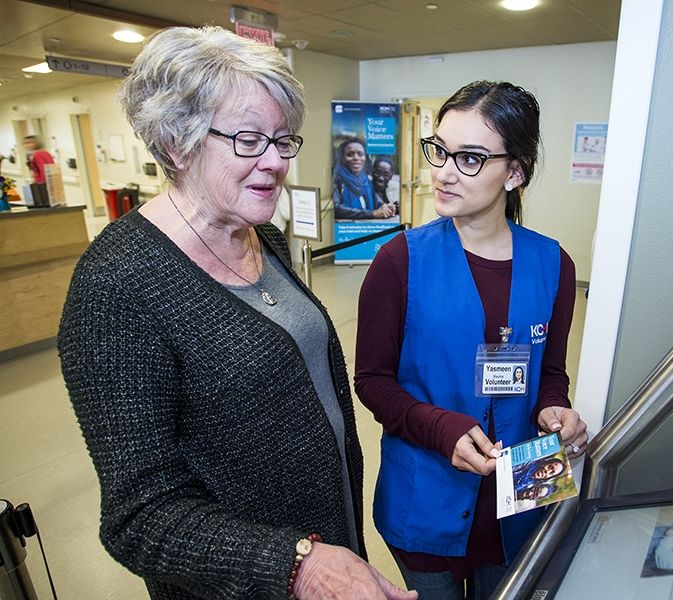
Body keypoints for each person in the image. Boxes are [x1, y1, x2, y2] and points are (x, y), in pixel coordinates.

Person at [57, 26, 415, 600]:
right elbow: (140, 516)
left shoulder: (261, 235)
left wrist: (332, 557)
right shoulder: (117, 284)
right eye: (250, 140)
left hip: (328, 542)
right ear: (178, 143)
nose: (276, 162)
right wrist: (297, 565)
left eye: (283, 139)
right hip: (248, 581)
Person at [354, 80, 588, 600]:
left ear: (516, 172)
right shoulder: (400, 261)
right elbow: (371, 381)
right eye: (439, 150)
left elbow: (550, 374)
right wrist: (440, 427)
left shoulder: (554, 264)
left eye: (470, 158)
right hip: (428, 491)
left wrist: (556, 411)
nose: (442, 172)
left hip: (529, 482)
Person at [333, 138, 396, 220]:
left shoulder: (366, 179)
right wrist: (373, 213)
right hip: (346, 228)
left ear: (365, 158)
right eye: (350, 154)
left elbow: (376, 202)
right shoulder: (336, 178)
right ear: (342, 158)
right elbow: (337, 209)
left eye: (360, 154)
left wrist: (387, 207)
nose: (356, 158)